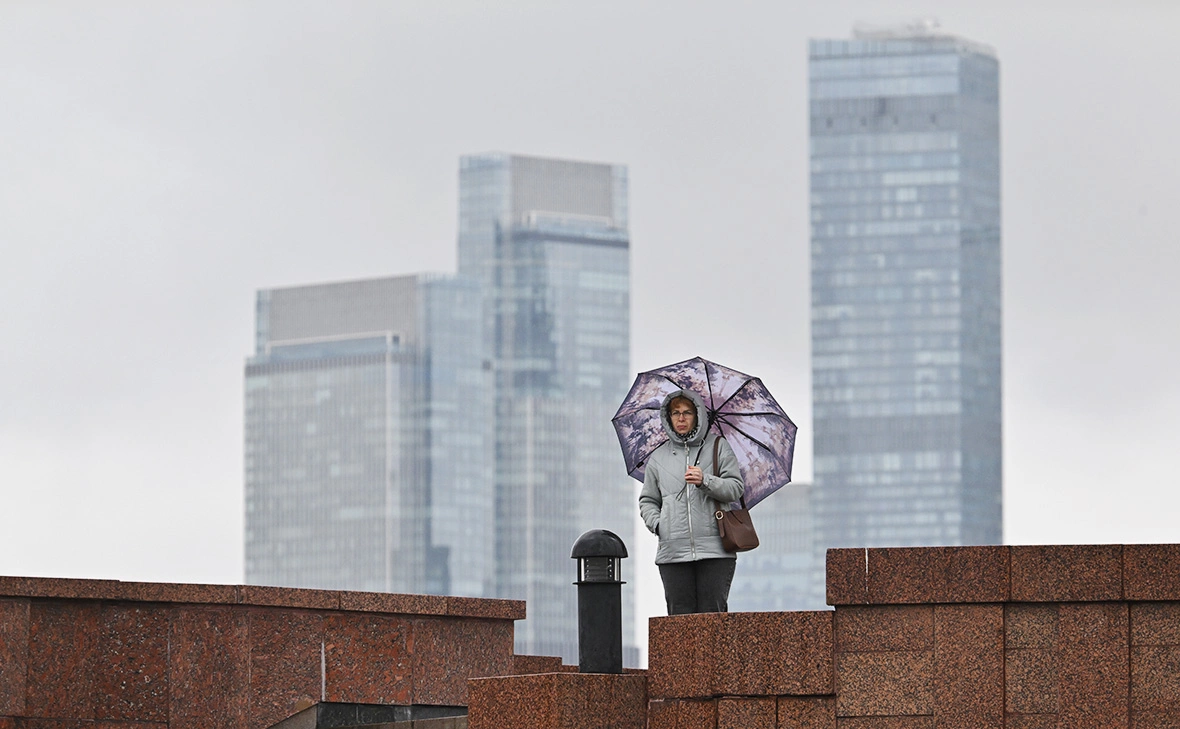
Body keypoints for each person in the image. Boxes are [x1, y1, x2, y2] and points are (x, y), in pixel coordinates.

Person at [638, 388, 745, 614]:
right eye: (675, 413)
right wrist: (659, 525)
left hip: (716, 549)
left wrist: (705, 480)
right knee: (679, 622)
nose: (681, 418)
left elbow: (735, 488)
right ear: (668, 417)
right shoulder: (658, 457)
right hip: (673, 552)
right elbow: (648, 500)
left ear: (698, 415)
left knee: (712, 620)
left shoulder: (719, 447)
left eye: (687, 412)